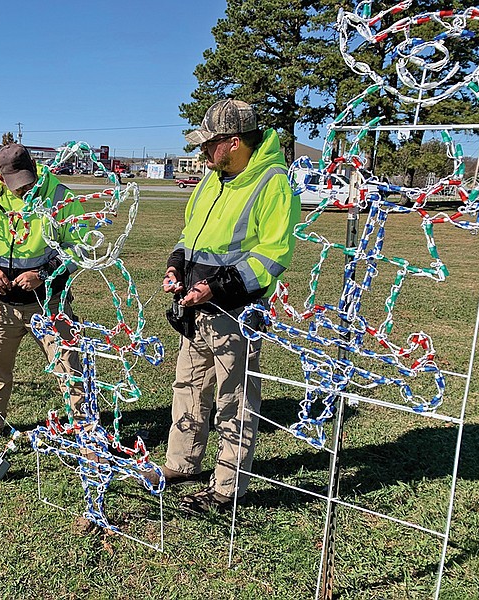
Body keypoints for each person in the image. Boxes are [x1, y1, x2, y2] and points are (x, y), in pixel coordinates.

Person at [153, 99, 300, 514]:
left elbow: (272, 256)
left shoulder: (272, 183)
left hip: (236, 314)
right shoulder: (211, 179)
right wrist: (176, 266)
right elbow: (190, 233)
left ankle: (228, 488)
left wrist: (217, 289)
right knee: (188, 387)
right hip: (196, 310)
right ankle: (182, 464)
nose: (202, 151)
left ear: (233, 142)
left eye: (208, 143)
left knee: (234, 398)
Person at [0, 143, 84, 449]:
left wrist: (42, 274)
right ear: (1, 178)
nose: (25, 189)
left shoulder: (59, 196)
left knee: (69, 366)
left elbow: (78, 247)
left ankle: (83, 427)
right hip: (2, 305)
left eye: (29, 181)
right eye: (17, 185)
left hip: (50, 302)